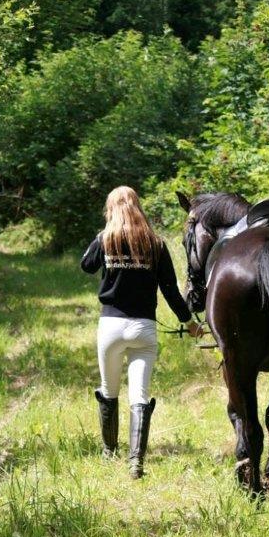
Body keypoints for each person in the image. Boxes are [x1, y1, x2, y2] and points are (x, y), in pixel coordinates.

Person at [81, 186, 201, 478]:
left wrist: (104, 236)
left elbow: (86, 265)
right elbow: (171, 291)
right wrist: (189, 321)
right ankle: (136, 462)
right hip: (143, 329)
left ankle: (109, 452)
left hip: (110, 327)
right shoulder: (155, 244)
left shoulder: (105, 239)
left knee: (109, 390)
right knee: (140, 394)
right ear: (138, 207)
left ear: (112, 209)